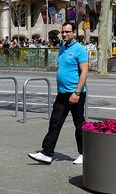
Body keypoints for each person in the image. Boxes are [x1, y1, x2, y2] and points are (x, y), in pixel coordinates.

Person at [28, 21, 88, 166]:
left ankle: (84, 154)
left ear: (74, 33)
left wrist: (77, 92)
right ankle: (47, 153)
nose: (64, 34)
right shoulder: (62, 48)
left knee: (79, 125)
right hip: (62, 93)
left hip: (75, 93)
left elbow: (84, 71)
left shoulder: (80, 49)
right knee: (55, 122)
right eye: (63, 32)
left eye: (67, 32)